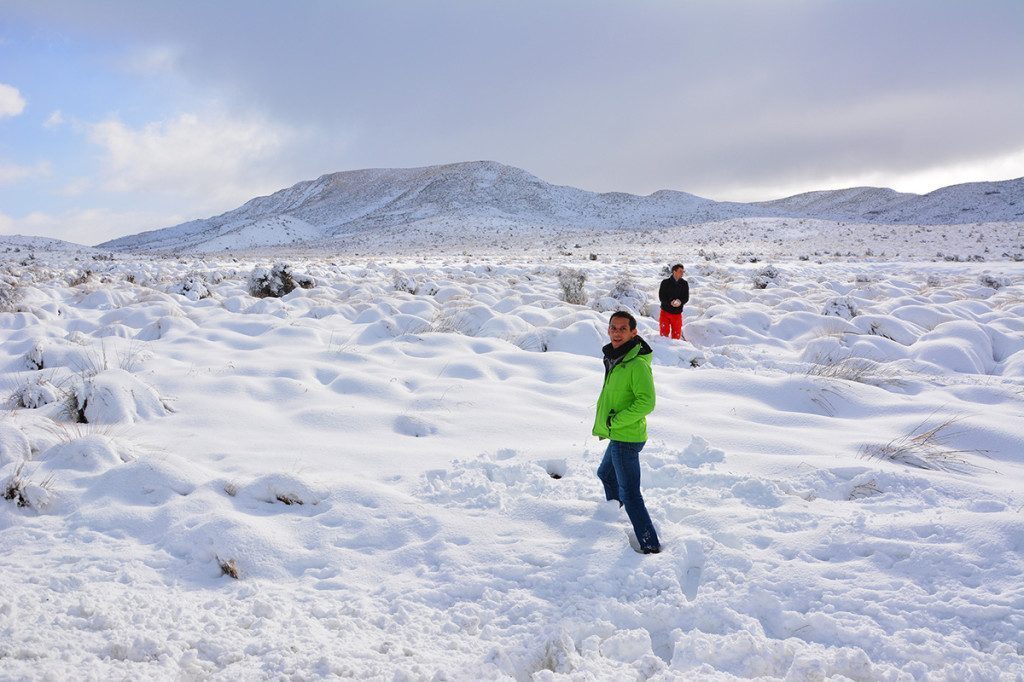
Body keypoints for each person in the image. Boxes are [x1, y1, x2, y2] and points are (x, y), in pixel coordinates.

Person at [593, 310, 661, 554]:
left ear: (634, 333)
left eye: (623, 329)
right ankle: (616, 516)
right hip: (620, 434)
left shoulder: (636, 364)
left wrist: (617, 421)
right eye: (613, 327)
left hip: (626, 436)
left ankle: (650, 544)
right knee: (606, 474)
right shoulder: (616, 358)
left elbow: (647, 402)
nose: (617, 332)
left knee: (630, 494)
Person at [658, 264, 689, 340]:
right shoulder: (665, 282)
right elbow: (661, 297)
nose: (682, 273)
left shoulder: (684, 284)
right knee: (663, 335)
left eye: (683, 271)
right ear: (674, 271)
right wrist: (670, 302)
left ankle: (675, 351)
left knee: (676, 336)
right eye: (680, 271)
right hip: (665, 312)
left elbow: (686, 298)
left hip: (677, 314)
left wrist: (680, 301)